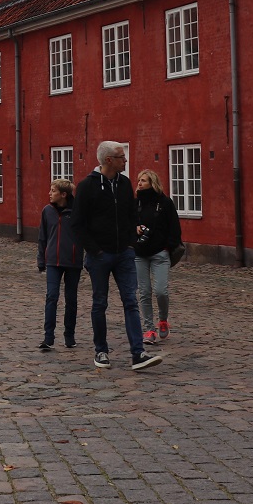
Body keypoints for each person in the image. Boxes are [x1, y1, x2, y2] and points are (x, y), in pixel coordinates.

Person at [76, 141, 160, 372]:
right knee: (99, 303)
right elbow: (78, 224)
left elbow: (131, 214)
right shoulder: (87, 187)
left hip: (123, 253)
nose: (126, 161)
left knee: (131, 302)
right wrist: (95, 251)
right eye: (121, 157)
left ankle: (138, 353)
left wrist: (130, 244)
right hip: (99, 256)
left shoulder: (124, 184)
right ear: (109, 161)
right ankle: (101, 350)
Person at [133, 169, 181, 346]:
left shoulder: (165, 203)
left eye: (143, 180)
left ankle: (162, 320)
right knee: (144, 293)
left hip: (160, 253)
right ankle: (149, 329)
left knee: (161, 291)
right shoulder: (135, 203)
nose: (139, 183)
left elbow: (175, 228)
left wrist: (168, 247)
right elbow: (127, 224)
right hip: (140, 254)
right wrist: (135, 230)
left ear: (152, 183)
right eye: (139, 180)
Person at [36, 178, 82, 352]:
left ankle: (69, 336)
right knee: (51, 297)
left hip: (72, 261)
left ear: (63, 194)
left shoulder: (76, 211)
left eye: (53, 191)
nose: (49, 193)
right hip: (53, 261)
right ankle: (48, 338)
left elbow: (84, 234)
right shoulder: (47, 211)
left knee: (71, 300)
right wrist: (41, 259)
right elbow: (43, 236)